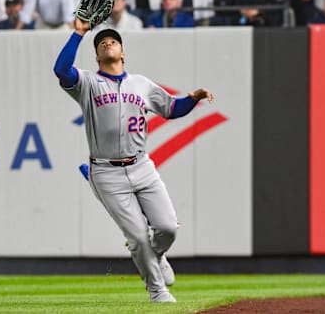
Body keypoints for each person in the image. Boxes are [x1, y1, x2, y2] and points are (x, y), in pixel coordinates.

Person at [52, 17, 214, 303]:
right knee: (138, 237)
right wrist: (79, 33)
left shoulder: (141, 84)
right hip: (106, 172)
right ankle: (157, 291)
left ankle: (156, 254)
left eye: (113, 41)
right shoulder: (88, 83)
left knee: (166, 228)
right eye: (102, 43)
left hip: (142, 166)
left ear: (123, 52)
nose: (108, 43)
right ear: (97, 56)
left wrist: (193, 97)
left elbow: (172, 108)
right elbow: (61, 69)